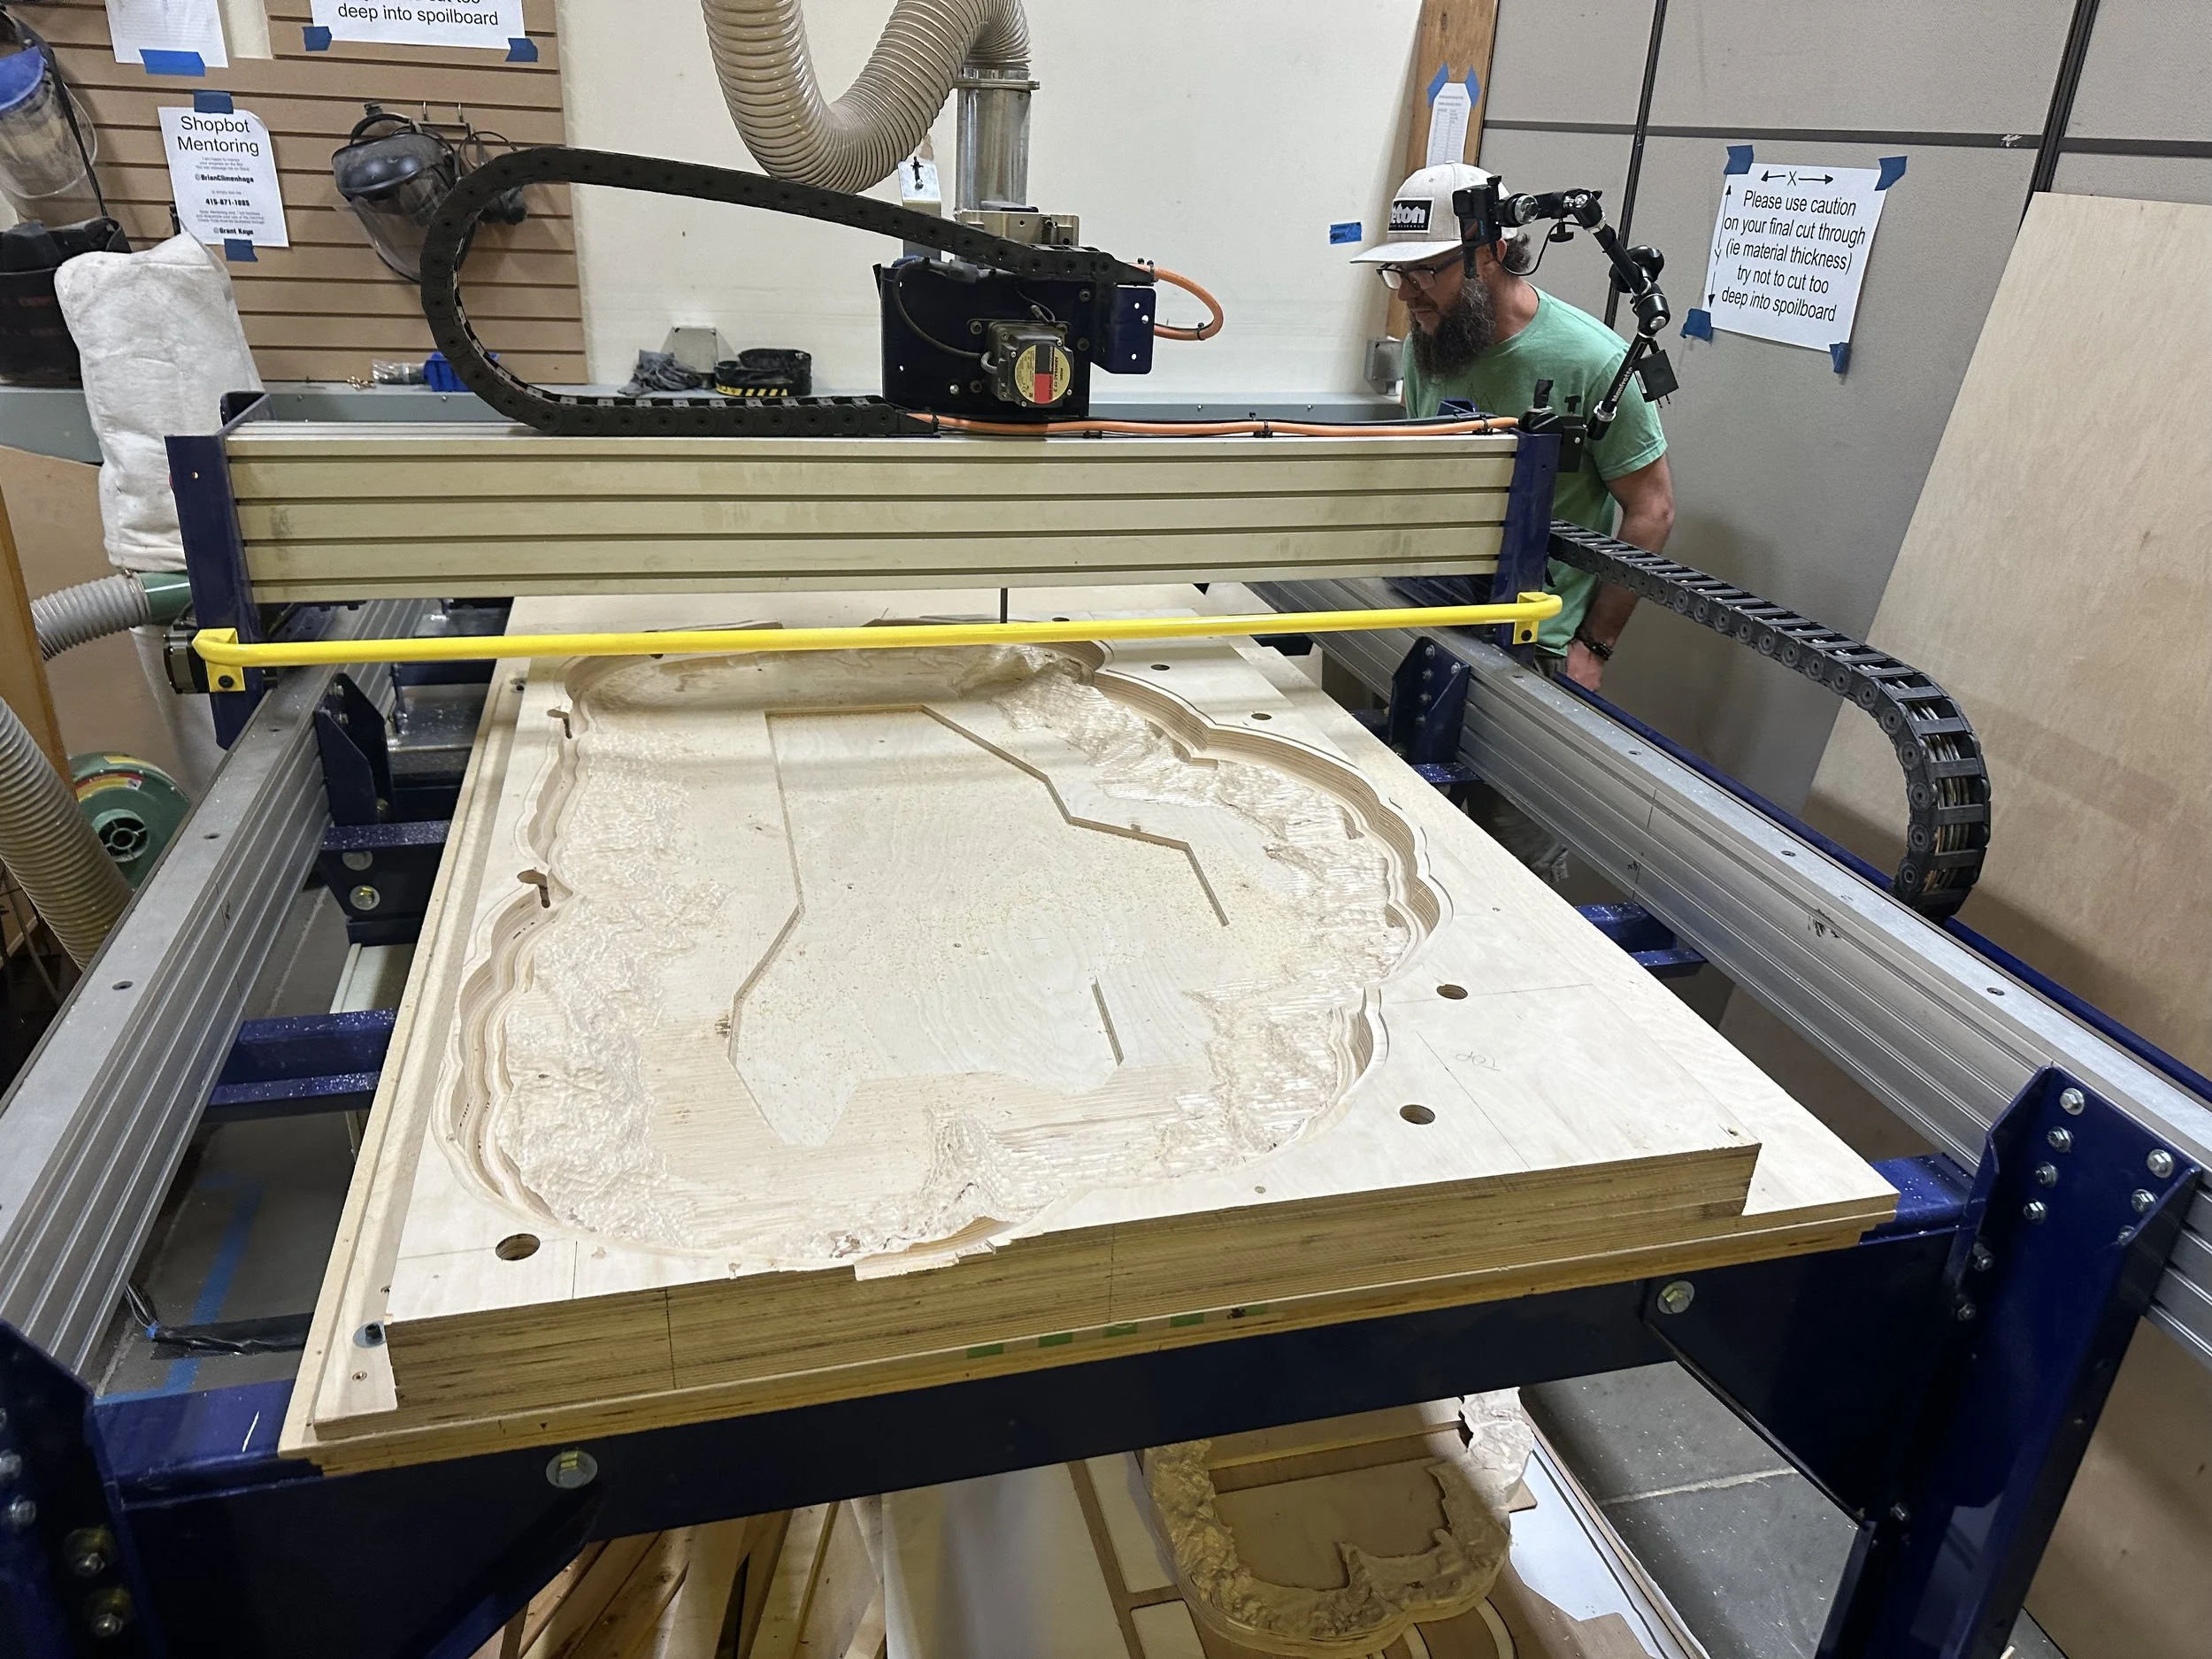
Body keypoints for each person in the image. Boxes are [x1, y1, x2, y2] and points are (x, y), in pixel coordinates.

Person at [1348, 163, 1676, 883]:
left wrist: (1593, 646)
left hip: (1533, 650)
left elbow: (1651, 510)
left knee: (1515, 870)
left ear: (1490, 251)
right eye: (1396, 276)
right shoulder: (1430, 342)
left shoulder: (1590, 360)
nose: (1408, 294)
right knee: (1402, 834)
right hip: (1428, 622)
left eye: (1426, 273)